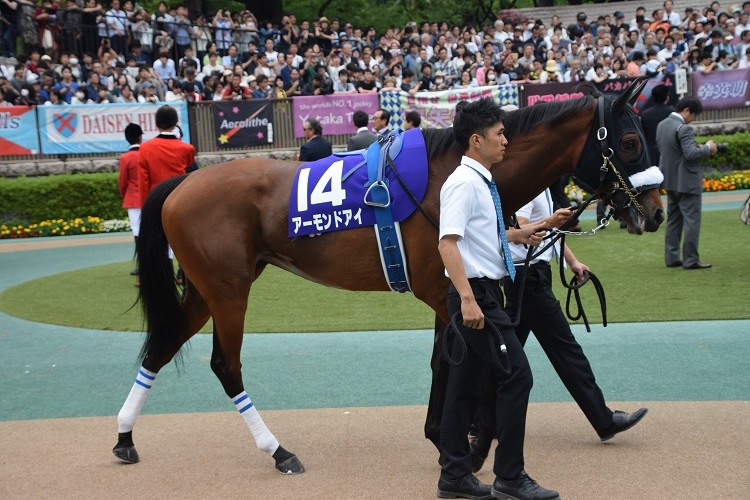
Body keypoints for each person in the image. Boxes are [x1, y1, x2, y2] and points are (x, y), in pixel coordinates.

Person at [436, 97, 559, 500]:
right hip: (477, 298)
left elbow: (480, 237)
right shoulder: (464, 183)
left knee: (466, 385)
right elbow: (447, 244)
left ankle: (454, 476)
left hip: (481, 293)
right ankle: (510, 477)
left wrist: (530, 230)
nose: (506, 140)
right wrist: (469, 300)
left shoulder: (481, 180)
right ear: (476, 140)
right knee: (517, 375)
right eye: (499, 134)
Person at [503, 188, 649, 444]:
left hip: (528, 276)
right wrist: (548, 223)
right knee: (567, 351)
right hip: (529, 278)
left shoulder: (541, 184)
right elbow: (522, 230)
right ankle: (604, 421)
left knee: (506, 353)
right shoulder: (531, 189)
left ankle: (481, 420)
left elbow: (552, 232)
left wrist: (573, 262)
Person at [656, 96, 718, 270]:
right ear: (687, 110)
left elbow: (667, 153)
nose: (694, 119)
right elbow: (690, 153)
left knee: (674, 219)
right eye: (694, 115)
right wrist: (707, 148)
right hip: (688, 181)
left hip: (670, 179)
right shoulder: (684, 129)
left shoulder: (662, 125)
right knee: (692, 220)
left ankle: (672, 257)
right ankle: (691, 259)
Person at [138, 106, 197, 206]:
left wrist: (144, 205)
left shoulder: (145, 148)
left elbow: (143, 180)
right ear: (175, 123)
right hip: (180, 200)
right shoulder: (187, 148)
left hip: (155, 201)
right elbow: (191, 178)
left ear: (157, 124)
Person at [118, 123, 143, 281]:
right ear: (140, 137)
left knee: (137, 233)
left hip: (133, 199)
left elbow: (122, 182)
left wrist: (125, 195)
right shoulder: (148, 153)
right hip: (149, 197)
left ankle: (142, 265)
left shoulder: (125, 158)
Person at [639, 84, 674, 167]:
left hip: (650, 153)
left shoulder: (644, 114)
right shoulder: (672, 113)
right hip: (669, 151)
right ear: (667, 97)